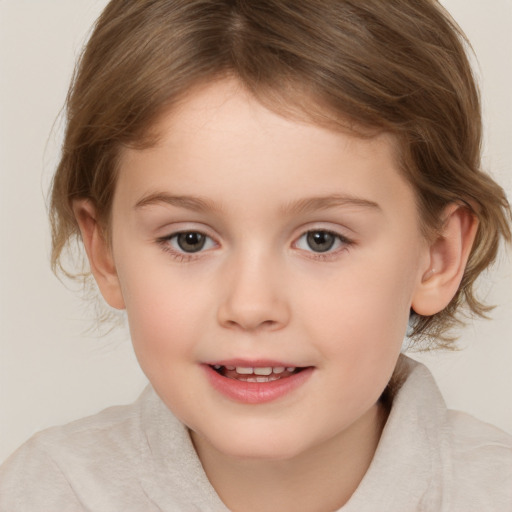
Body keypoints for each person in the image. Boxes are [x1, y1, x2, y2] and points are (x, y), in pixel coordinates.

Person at [1, 0, 511, 510]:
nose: (250, 306)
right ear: (105, 251)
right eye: (190, 240)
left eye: (321, 240)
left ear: (438, 256)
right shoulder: (45, 493)